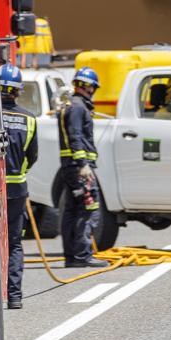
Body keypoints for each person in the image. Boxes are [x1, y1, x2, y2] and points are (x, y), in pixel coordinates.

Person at [57, 67, 106, 268]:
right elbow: (75, 136)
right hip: (79, 168)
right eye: (93, 87)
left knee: (72, 209)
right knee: (89, 208)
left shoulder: (73, 105)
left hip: (71, 167)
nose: (93, 91)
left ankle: (72, 257)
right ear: (87, 86)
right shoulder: (78, 107)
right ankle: (82, 256)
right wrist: (83, 165)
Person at [0, 64, 37, 309]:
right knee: (14, 243)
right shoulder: (29, 119)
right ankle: (14, 297)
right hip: (17, 188)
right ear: (17, 91)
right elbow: (32, 156)